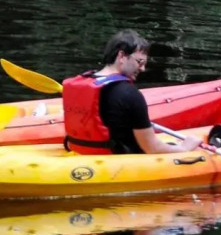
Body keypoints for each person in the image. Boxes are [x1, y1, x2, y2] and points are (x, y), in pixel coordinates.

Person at [61, 30, 202, 154]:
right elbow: (152, 148)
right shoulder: (129, 94)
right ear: (122, 56)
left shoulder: (82, 82)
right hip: (115, 160)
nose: (143, 69)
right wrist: (184, 148)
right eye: (139, 62)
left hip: (81, 151)